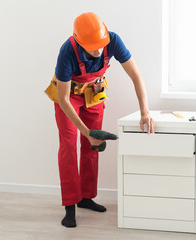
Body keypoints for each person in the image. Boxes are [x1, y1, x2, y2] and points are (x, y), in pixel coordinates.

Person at [50, 12, 155, 228]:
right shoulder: (67, 51)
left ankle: (86, 198)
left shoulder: (113, 40)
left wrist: (145, 111)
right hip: (68, 97)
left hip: (94, 92)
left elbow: (135, 74)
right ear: (79, 41)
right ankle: (70, 205)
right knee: (68, 147)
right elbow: (62, 98)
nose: (98, 49)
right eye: (92, 46)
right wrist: (85, 131)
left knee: (93, 145)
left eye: (101, 43)